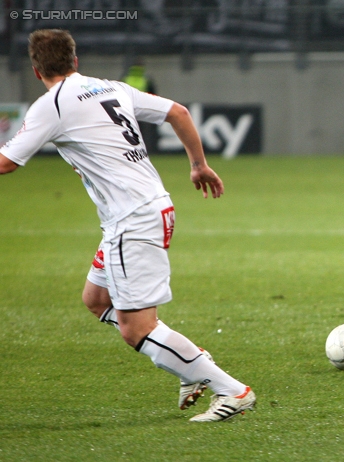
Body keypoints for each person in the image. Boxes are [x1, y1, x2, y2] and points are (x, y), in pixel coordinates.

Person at [0, 29, 256, 421]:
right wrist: (198, 165)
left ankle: (233, 391)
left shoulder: (50, 105)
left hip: (132, 220)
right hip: (150, 209)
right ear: (76, 61)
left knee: (135, 329)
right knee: (97, 300)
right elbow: (179, 113)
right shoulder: (110, 87)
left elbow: (7, 162)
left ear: (36, 71)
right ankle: (191, 367)